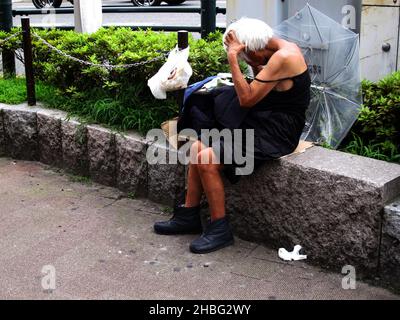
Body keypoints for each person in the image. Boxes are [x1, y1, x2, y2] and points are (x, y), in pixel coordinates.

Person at [153, 18, 311, 254]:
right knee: (197, 147)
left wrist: (232, 58)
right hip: (261, 119)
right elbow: (257, 87)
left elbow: (247, 98)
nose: (246, 62)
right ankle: (189, 214)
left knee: (207, 159)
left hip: (276, 132)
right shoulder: (272, 50)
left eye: (245, 56)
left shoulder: (284, 57)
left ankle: (220, 229)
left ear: (252, 48)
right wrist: (246, 58)